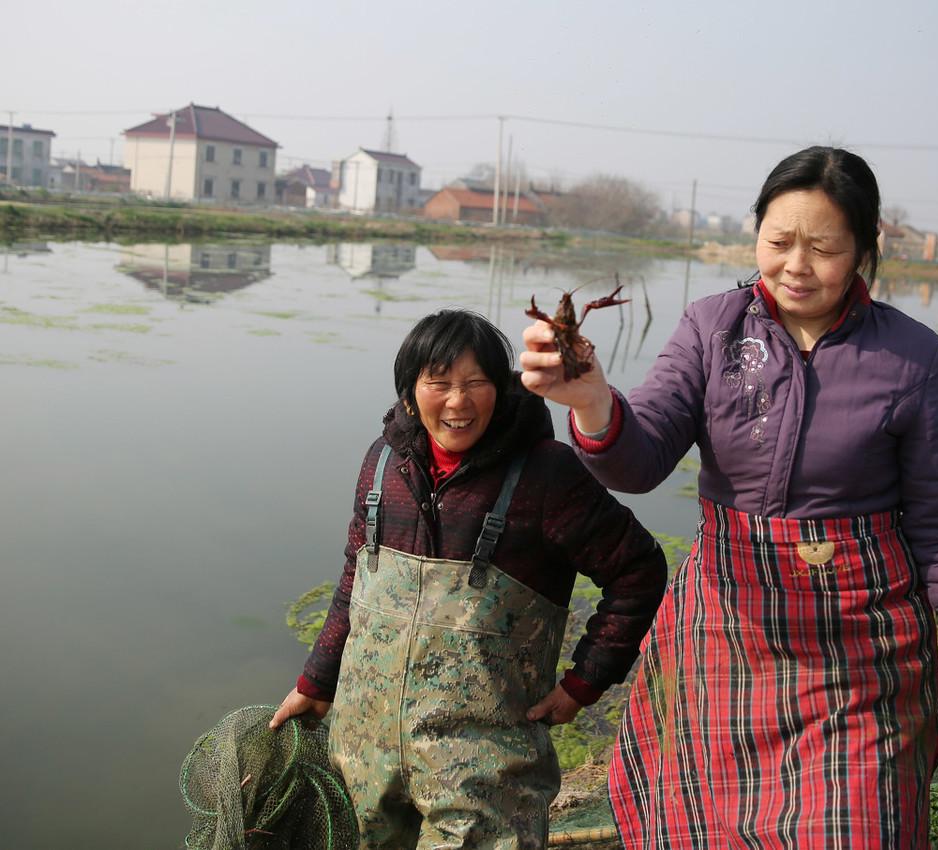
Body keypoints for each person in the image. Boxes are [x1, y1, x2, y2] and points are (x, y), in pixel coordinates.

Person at [520, 147, 938, 849]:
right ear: (756, 232)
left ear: (862, 250)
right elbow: (640, 460)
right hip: (729, 624)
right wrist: (593, 404)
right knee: (709, 829)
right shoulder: (711, 328)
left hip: (862, 640)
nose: (796, 264)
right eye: (779, 241)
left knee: (858, 827)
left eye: (823, 248)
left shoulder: (913, 358)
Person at [270, 309, 667, 849]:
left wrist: (584, 682)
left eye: (476, 383)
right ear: (410, 393)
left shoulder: (546, 475)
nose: (458, 402)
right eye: (439, 383)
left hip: (486, 780)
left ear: (500, 391)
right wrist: (316, 683)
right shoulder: (382, 464)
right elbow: (354, 581)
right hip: (364, 763)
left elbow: (638, 571)